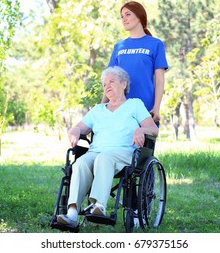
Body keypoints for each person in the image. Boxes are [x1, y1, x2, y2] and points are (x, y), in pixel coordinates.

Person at [57, 66, 158, 227]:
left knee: (104, 158)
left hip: (124, 152)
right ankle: (72, 213)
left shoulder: (134, 105)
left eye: (111, 82)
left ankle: (98, 206)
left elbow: (154, 130)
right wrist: (75, 130)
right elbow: (80, 127)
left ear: (124, 84)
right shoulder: (98, 109)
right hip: (96, 152)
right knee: (81, 163)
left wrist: (141, 129)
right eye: (104, 84)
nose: (107, 86)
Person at [104, 1, 169, 124]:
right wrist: (102, 106)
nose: (124, 19)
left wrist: (156, 107)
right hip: (118, 109)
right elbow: (109, 80)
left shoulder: (156, 44)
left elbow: (159, 80)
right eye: (122, 16)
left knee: (142, 143)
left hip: (146, 109)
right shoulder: (119, 46)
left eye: (128, 14)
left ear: (139, 16)